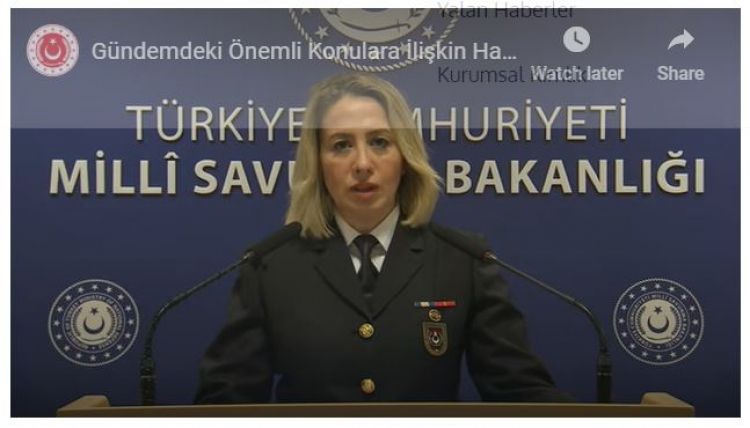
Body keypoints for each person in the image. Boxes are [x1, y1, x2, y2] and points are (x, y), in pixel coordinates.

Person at [195, 73, 572, 403]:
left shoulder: (463, 261)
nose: (362, 164)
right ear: (318, 163)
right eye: (341, 145)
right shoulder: (271, 267)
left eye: (379, 142)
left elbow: (520, 392)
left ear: (405, 157)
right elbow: (225, 401)